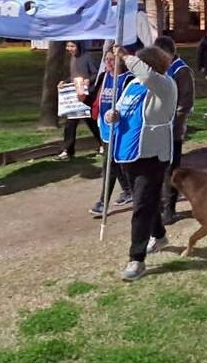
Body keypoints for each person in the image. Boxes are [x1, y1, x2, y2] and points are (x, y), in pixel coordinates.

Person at [106, 45, 178, 282]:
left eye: (138, 63)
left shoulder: (164, 85)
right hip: (128, 151)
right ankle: (159, 235)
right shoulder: (133, 84)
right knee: (144, 201)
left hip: (152, 154)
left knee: (142, 205)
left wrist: (125, 55)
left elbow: (146, 75)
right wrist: (112, 115)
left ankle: (136, 259)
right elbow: (121, 109)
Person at [153, 35, 194, 225]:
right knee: (156, 170)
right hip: (156, 130)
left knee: (171, 170)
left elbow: (185, 104)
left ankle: (169, 209)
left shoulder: (181, 71)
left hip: (172, 131)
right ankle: (159, 206)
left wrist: (171, 124)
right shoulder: (160, 69)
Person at [90, 51, 133, 217]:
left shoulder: (128, 79)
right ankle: (129, 191)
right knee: (116, 163)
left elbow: (132, 103)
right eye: (106, 59)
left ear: (121, 61)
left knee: (109, 164)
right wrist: (82, 97)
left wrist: (119, 114)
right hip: (105, 129)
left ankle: (103, 202)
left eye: (112, 60)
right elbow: (93, 98)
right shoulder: (103, 77)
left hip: (122, 128)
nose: (108, 62)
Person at [55, 41, 101, 161]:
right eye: (68, 46)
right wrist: (64, 82)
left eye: (72, 46)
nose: (69, 49)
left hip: (87, 96)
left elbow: (95, 73)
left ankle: (103, 144)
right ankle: (67, 151)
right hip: (75, 97)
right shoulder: (72, 59)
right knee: (70, 124)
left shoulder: (87, 57)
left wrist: (88, 81)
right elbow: (75, 76)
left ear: (78, 46)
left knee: (92, 123)